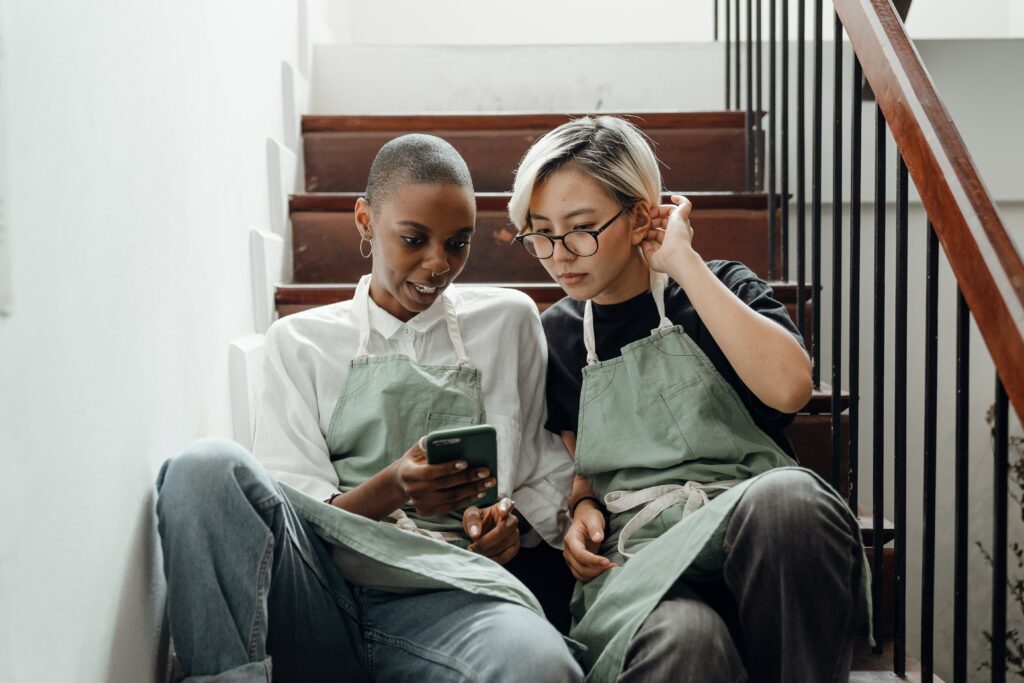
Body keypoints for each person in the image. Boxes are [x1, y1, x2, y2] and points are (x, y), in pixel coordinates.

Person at [156, 133, 583, 682]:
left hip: (449, 593)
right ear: (364, 220)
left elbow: (542, 472)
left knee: (544, 667)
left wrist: (509, 524)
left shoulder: (509, 321)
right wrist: (396, 487)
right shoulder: (300, 342)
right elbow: (296, 516)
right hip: (316, 594)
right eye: (413, 239)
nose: (437, 264)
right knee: (203, 468)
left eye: (458, 243)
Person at [508, 116, 871, 682]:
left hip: (748, 528)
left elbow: (791, 388)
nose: (560, 253)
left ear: (638, 215)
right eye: (540, 233)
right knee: (686, 639)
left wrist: (682, 263)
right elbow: (585, 471)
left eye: (581, 228)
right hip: (639, 555)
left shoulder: (719, 286)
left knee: (791, 498)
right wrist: (580, 511)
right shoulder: (556, 333)